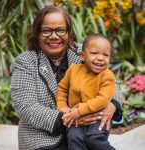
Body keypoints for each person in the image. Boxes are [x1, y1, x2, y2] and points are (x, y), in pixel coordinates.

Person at [11, 5, 123, 150]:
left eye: (60, 30)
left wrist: (112, 104)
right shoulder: (26, 61)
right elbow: (26, 106)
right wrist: (69, 118)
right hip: (42, 138)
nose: (53, 36)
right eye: (46, 31)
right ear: (37, 33)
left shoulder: (84, 53)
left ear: (69, 33)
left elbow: (113, 84)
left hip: (85, 134)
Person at [57, 33, 116, 150]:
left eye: (105, 55)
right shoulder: (73, 70)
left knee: (94, 138)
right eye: (94, 53)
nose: (100, 58)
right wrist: (62, 105)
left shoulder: (107, 75)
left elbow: (103, 99)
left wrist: (80, 111)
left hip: (98, 118)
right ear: (82, 56)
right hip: (75, 119)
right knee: (74, 138)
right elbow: (62, 88)